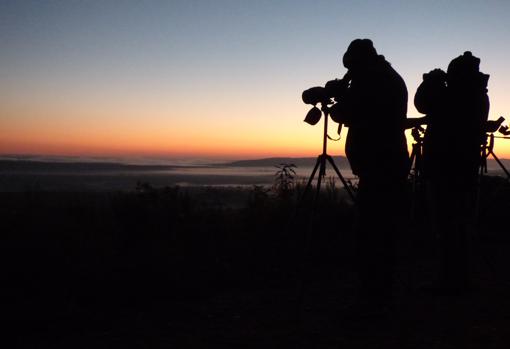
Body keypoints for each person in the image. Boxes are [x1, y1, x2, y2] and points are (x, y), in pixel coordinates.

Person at [330, 39, 410, 310]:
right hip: (389, 161)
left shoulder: (374, 79)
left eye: (352, 67)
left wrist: (339, 100)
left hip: (380, 164)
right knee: (382, 231)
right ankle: (380, 294)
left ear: (358, 61)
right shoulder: (386, 75)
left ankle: (373, 300)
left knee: (372, 233)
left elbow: (353, 113)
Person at [414, 51, 489, 294]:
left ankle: (450, 281)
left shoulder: (456, 95)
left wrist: (431, 81)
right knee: (458, 223)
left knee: (447, 224)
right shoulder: (477, 94)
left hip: (446, 167)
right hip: (464, 166)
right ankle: (458, 279)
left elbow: (422, 103)